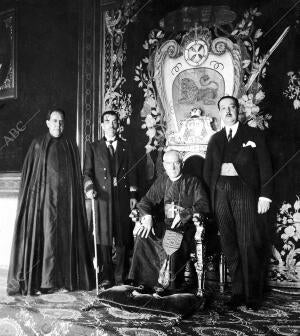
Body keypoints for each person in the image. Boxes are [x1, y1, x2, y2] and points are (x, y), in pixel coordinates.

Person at [7, 109, 94, 296]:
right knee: (46, 241)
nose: (58, 125)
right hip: (43, 205)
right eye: (54, 121)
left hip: (66, 205)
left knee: (64, 241)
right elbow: (30, 178)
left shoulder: (71, 145)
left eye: (61, 122)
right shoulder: (38, 145)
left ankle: (62, 281)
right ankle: (43, 282)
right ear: (47, 123)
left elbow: (76, 177)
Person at [203, 96, 273, 310]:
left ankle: (252, 296)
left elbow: (266, 166)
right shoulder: (215, 139)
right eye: (223, 108)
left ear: (238, 110)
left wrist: (265, 195)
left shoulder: (253, 135)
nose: (227, 111)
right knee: (230, 246)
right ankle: (238, 293)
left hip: (245, 194)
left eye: (231, 107)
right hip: (221, 196)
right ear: (219, 113)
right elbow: (208, 173)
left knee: (248, 243)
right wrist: (210, 201)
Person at [128, 150, 210, 294]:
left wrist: (185, 213)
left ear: (182, 164)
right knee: (143, 236)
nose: (172, 167)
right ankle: (143, 283)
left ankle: (168, 288)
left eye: (175, 163)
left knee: (171, 240)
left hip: (186, 227)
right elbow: (146, 201)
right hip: (166, 225)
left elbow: (203, 204)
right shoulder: (163, 180)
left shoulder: (193, 182)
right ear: (164, 165)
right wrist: (147, 217)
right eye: (168, 164)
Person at [83, 110, 137, 289]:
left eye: (114, 122)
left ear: (118, 125)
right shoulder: (93, 146)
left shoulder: (126, 146)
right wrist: (89, 187)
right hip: (102, 198)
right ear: (102, 125)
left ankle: (121, 277)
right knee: (103, 236)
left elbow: (132, 173)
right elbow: (87, 173)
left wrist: (133, 195)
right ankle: (106, 276)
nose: (111, 125)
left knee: (122, 236)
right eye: (107, 121)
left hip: (122, 198)